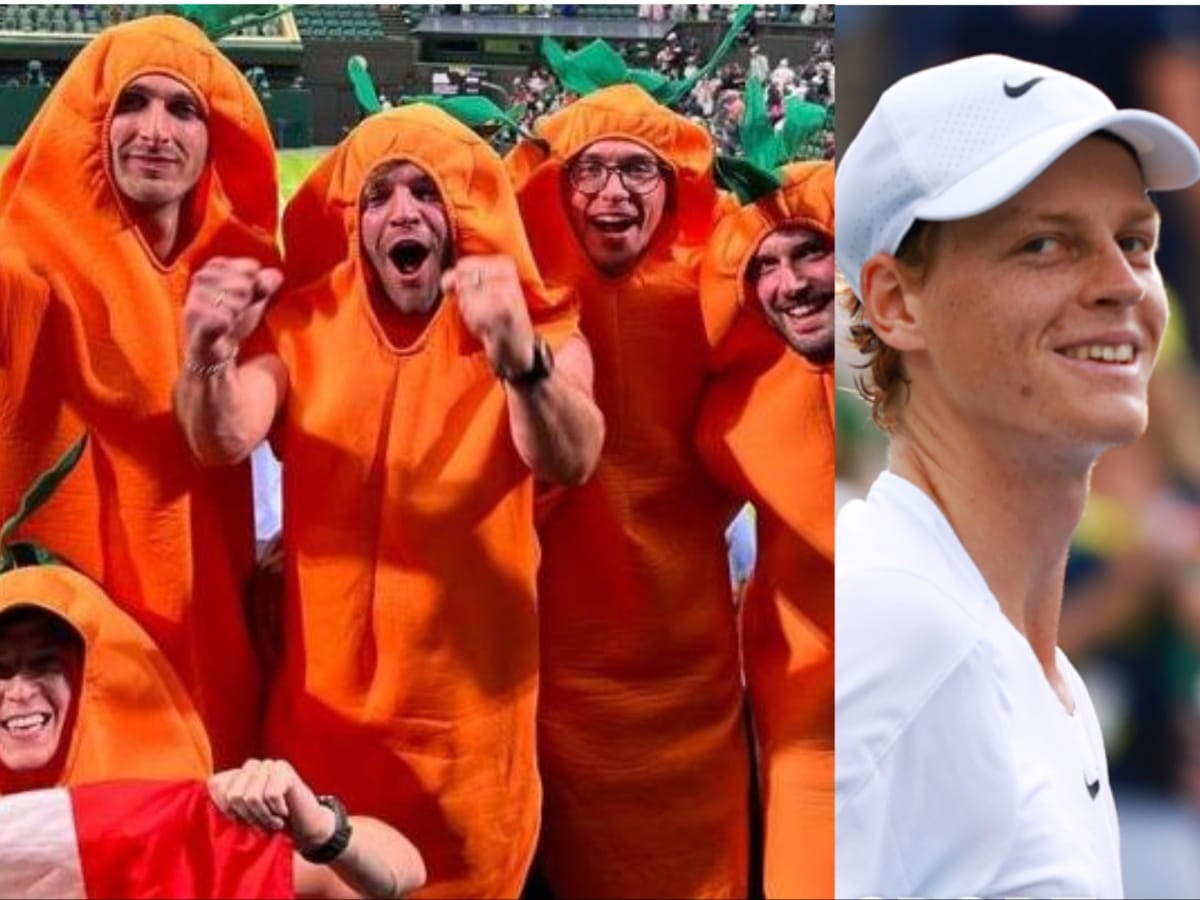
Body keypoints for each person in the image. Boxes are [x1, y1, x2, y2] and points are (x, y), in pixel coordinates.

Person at [174, 103, 604, 897]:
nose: (402, 211)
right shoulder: (303, 327)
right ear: (353, 219)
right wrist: (205, 357)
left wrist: (519, 360)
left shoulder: (534, 329)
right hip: (321, 729)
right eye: (379, 195)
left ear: (462, 211)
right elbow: (223, 437)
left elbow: (572, 456)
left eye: (425, 192)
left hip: (470, 743)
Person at [835, 53, 1200, 898]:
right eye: (1045, 244)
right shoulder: (892, 632)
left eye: (1136, 241)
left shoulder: (1034, 672)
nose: (1122, 284)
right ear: (895, 303)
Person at [0, 15, 279, 768]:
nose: (155, 130)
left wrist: (212, 351)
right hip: (56, 656)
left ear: (216, 132)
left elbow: (227, 438)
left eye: (183, 108)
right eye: (133, 103)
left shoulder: (244, 282)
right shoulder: (23, 257)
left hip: (203, 632)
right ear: (93, 120)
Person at [507, 83, 750, 897]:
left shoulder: (719, 294)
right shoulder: (527, 296)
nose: (612, 192)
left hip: (690, 657)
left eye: (637, 172)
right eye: (590, 171)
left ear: (674, 185)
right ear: (557, 186)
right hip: (554, 656)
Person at [0, 573, 425, 899]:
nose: (18, 691)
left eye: (45, 665)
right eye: (0, 671)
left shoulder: (160, 824)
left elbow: (398, 873)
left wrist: (318, 826)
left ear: (94, 676)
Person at [696, 160, 835, 898]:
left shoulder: (954, 376)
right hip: (808, 737)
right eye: (766, 265)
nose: (790, 283)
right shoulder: (737, 420)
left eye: (811, 250)